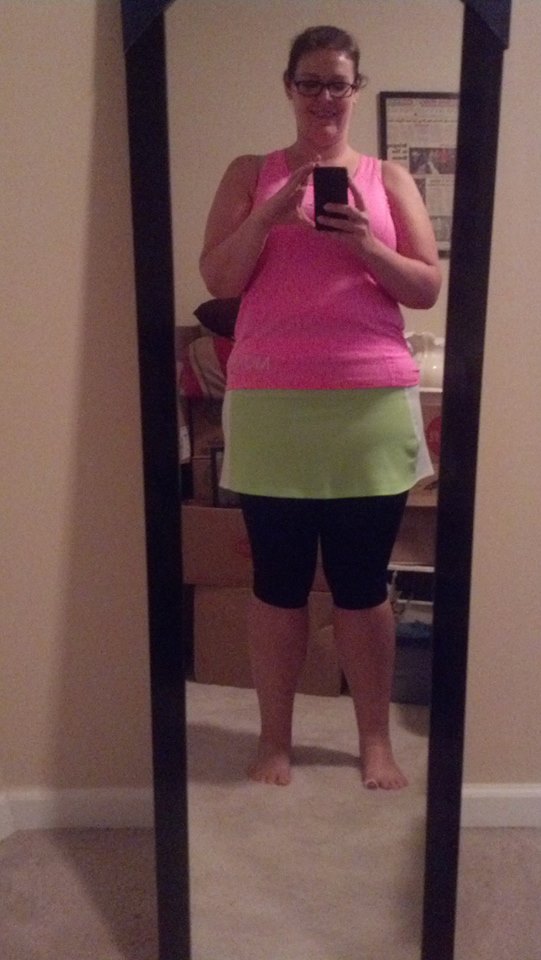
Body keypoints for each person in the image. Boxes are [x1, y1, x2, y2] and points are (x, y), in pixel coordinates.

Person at [199, 25, 441, 790]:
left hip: (368, 404)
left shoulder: (388, 179)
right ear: (288, 88)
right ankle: (274, 739)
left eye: (337, 83)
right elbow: (220, 280)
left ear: (356, 90)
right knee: (278, 581)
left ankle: (374, 740)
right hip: (272, 405)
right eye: (309, 82)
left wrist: (364, 243)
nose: (324, 97)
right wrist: (267, 215)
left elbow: (425, 288)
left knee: (362, 583)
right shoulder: (249, 173)